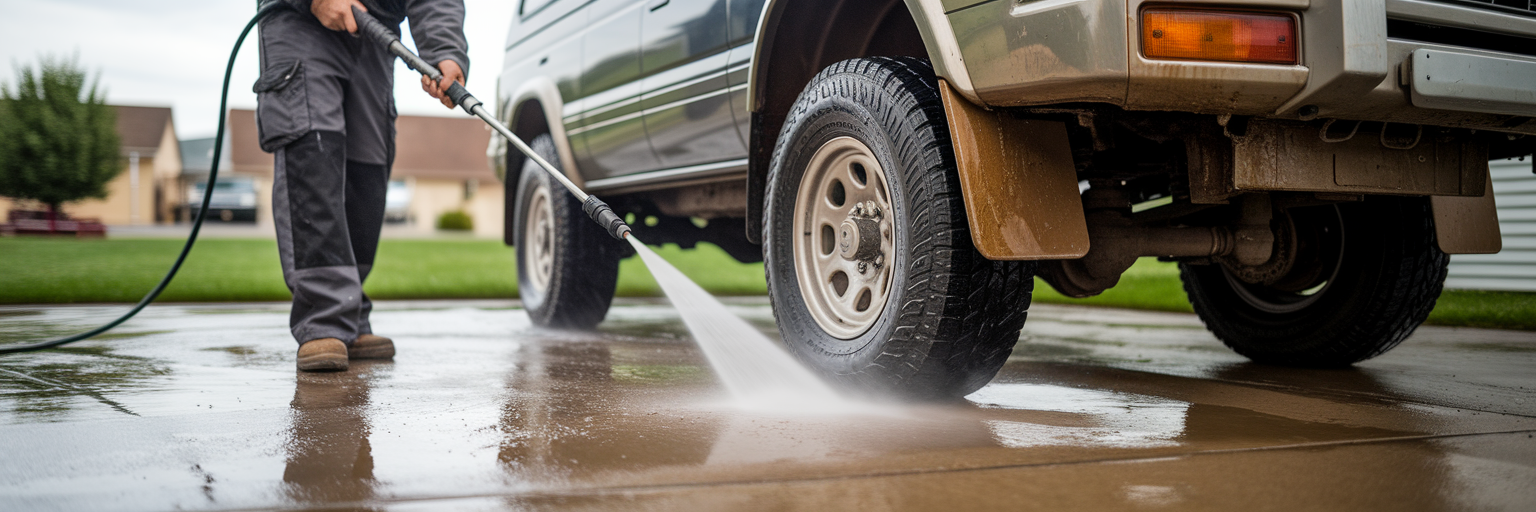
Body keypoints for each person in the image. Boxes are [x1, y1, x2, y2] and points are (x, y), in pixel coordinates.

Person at [255, 0, 468, 371]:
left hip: (375, 31)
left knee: (366, 170)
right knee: (315, 159)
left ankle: (349, 317)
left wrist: (446, 52)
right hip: (302, 24)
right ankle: (324, 318)